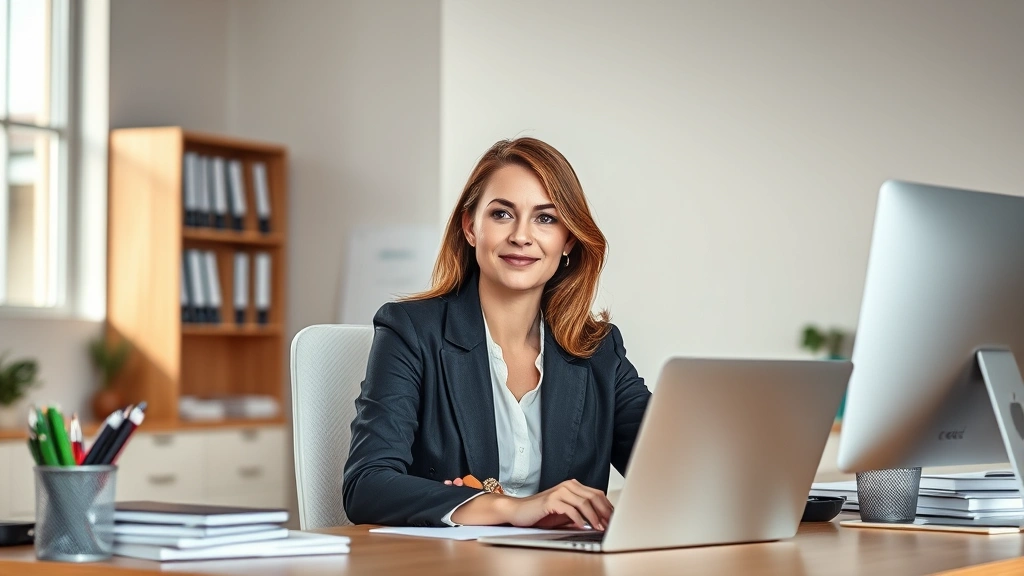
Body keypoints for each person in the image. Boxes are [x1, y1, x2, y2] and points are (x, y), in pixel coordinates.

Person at [342, 137, 651, 529]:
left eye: (546, 218)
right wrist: (511, 509)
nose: (521, 236)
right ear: (471, 227)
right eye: (502, 214)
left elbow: (669, 466)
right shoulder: (410, 332)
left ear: (568, 239)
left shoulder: (598, 349)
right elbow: (366, 485)